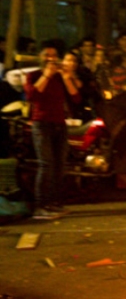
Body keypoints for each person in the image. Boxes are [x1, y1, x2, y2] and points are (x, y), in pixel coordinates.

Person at [23, 41, 82, 219]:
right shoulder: (33, 75)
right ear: (40, 57)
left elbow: (76, 97)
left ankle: (54, 203)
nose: (51, 59)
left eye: (54, 56)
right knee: (46, 164)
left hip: (60, 124)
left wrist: (66, 77)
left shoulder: (59, 77)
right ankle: (40, 206)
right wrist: (46, 76)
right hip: (42, 124)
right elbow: (32, 96)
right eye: (47, 55)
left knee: (59, 166)